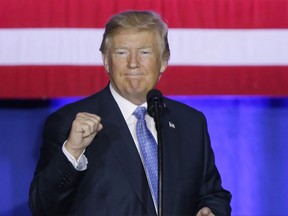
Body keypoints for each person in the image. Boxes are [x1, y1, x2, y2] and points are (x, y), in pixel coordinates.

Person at [29, 10, 232, 216]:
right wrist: (72, 151)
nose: (133, 63)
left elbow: (212, 194)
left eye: (145, 52)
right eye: (122, 52)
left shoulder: (190, 122)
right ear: (106, 61)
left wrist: (211, 210)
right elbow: (42, 208)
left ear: (163, 61)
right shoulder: (68, 123)